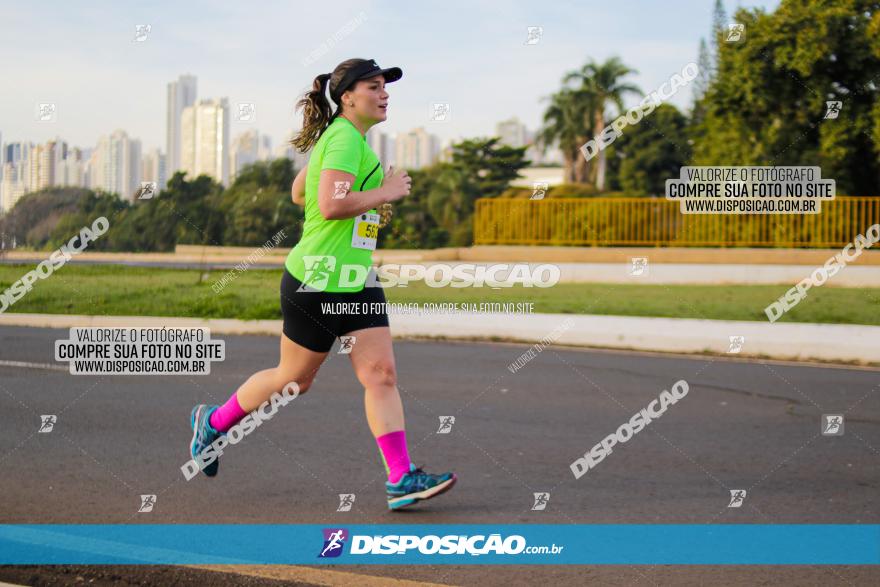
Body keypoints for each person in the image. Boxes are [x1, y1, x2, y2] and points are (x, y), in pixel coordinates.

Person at [189, 58, 456, 510]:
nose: (385, 93)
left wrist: (365, 200)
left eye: (385, 86)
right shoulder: (342, 142)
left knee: (381, 374)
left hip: (356, 280)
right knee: (293, 380)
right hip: (316, 282)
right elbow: (329, 207)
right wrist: (383, 193)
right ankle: (212, 422)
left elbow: (301, 193)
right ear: (348, 96)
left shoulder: (345, 141)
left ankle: (401, 478)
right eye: (375, 86)